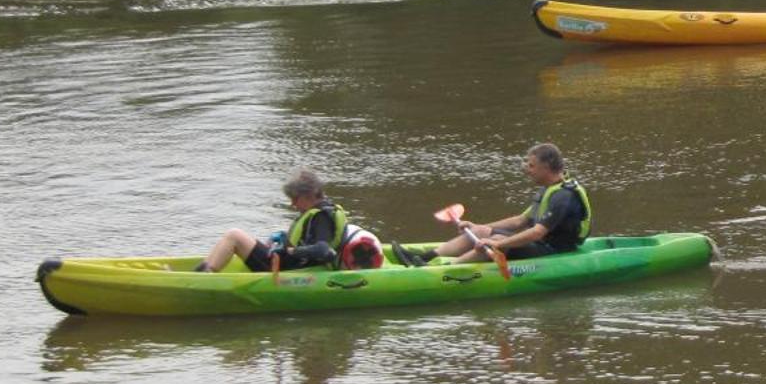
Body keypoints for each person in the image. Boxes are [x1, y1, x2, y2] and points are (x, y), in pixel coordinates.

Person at [402, 143, 591, 266]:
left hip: (553, 250)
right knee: (481, 232)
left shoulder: (563, 197)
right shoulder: (548, 188)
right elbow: (521, 221)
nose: (527, 170)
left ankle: (446, 269)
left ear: (547, 167)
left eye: (531, 165)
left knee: (496, 244)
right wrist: (481, 227)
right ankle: (425, 257)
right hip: (538, 243)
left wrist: (498, 243)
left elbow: (537, 232)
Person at [196, 167, 380, 272]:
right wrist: (284, 238)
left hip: (287, 269)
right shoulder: (316, 211)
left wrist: (290, 251)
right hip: (286, 262)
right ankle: (201, 274)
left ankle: (201, 279)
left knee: (234, 236)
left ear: (309, 195)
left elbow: (324, 251)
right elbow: (308, 240)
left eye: (295, 199)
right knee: (233, 236)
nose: (292, 204)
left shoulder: (322, 217)